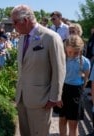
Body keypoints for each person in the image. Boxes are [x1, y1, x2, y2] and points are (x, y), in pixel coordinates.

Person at [11, 5, 66, 136]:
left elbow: (59, 69)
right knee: (25, 133)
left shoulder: (51, 37)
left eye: (14, 22)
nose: (13, 26)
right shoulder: (22, 38)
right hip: (22, 97)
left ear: (25, 20)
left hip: (41, 100)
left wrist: (54, 97)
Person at [57, 35, 90, 136]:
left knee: (73, 123)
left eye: (76, 53)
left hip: (76, 92)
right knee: (62, 119)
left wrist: (80, 91)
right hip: (63, 90)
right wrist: (58, 95)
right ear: (65, 48)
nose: (72, 55)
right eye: (69, 52)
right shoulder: (62, 59)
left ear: (80, 50)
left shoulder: (85, 62)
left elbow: (85, 80)